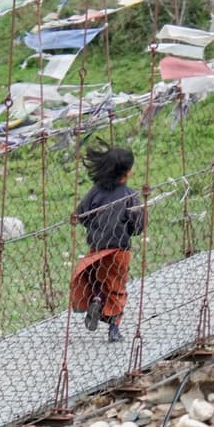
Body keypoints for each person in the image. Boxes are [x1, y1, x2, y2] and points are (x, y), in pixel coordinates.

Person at [68, 145, 145, 344]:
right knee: (117, 287)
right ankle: (114, 329)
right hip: (119, 250)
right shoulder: (131, 195)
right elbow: (138, 227)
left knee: (99, 280)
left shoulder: (95, 191)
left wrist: (97, 225)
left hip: (97, 249)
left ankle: (96, 300)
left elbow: (82, 215)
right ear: (127, 173)